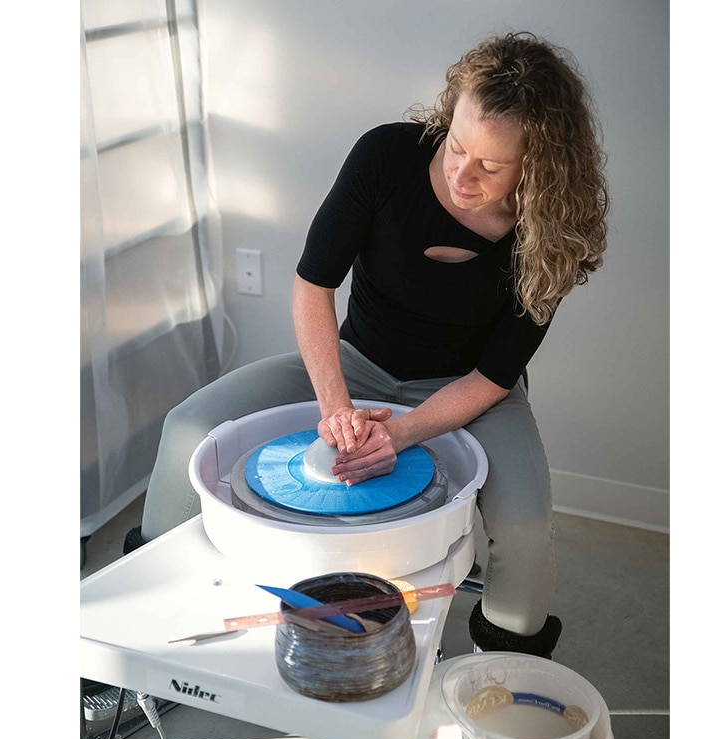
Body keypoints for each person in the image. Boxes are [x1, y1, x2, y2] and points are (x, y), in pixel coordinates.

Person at [127, 31, 609, 658]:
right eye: (457, 147)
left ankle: (503, 684)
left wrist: (401, 434)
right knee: (189, 425)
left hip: (471, 390)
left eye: (490, 166)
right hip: (356, 363)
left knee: (526, 525)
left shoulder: (555, 231)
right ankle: (142, 627)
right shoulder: (386, 156)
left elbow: (494, 377)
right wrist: (336, 406)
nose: (462, 174)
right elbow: (312, 285)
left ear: (539, 167)